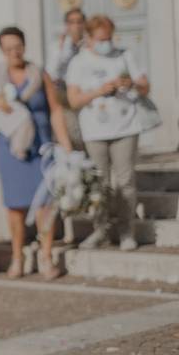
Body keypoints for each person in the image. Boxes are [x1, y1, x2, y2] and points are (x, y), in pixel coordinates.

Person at [0, 27, 73, 279]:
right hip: (10, 147)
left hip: (41, 145)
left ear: (24, 46)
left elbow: (55, 109)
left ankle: (45, 257)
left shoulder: (39, 74)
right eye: (8, 48)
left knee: (46, 202)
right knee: (14, 205)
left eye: (18, 47)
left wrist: (65, 143)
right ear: (2, 50)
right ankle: (18, 256)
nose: (14, 52)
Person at [67, 15, 152, 252]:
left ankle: (127, 231)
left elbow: (145, 86)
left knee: (125, 181)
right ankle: (100, 229)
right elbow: (73, 100)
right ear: (89, 38)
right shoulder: (79, 63)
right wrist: (99, 91)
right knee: (99, 184)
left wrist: (130, 84)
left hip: (126, 126)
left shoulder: (124, 55)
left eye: (109, 38)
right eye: (101, 39)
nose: (106, 43)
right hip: (94, 131)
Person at [46, 7, 87, 149]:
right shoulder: (58, 46)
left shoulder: (91, 44)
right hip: (66, 94)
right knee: (72, 129)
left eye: (79, 22)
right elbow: (52, 73)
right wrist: (63, 47)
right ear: (66, 25)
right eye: (72, 22)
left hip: (87, 93)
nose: (76, 26)